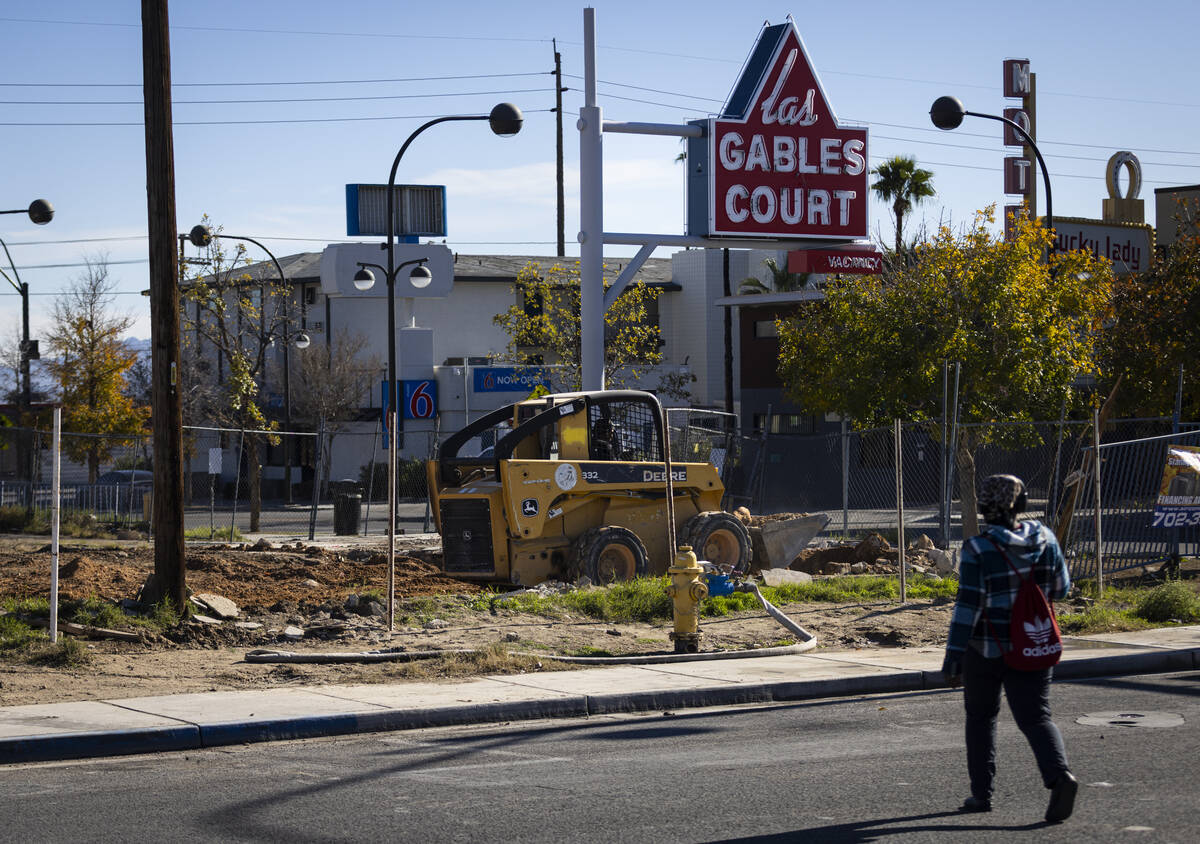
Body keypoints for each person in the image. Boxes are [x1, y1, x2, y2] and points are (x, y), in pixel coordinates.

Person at [941, 473, 1078, 823]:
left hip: (985, 650)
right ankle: (1059, 776)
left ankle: (981, 794)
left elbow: (967, 608)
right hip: (1033, 647)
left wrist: (953, 655)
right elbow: (1062, 589)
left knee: (981, 719)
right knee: (1037, 718)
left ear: (984, 509)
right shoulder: (1046, 539)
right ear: (1023, 504)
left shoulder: (978, 549)